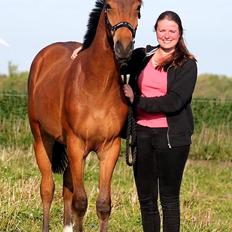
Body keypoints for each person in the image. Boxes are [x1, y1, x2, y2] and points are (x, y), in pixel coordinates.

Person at [123, 11, 197, 232]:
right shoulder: (141, 56)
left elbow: (174, 102)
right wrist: (83, 49)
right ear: (155, 31)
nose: (167, 35)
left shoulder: (187, 64)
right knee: (147, 202)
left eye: (172, 31)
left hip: (172, 139)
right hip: (141, 135)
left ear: (180, 33)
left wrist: (137, 101)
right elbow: (111, 62)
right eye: (162, 30)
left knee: (169, 201)